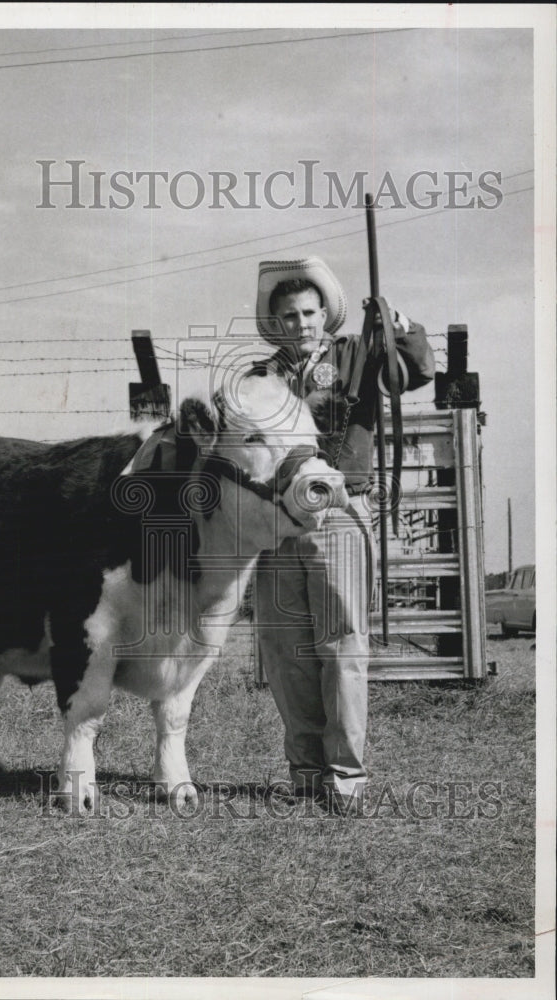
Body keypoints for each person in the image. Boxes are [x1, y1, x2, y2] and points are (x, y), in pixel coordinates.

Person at [251, 256, 435, 814]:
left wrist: (395, 323)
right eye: (288, 315)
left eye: (309, 312)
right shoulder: (259, 378)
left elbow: (418, 370)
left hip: (339, 510)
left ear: (325, 315)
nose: (301, 323)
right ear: (275, 321)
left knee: (342, 644)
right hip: (277, 521)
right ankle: (305, 773)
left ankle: (346, 779)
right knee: (285, 650)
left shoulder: (359, 355)